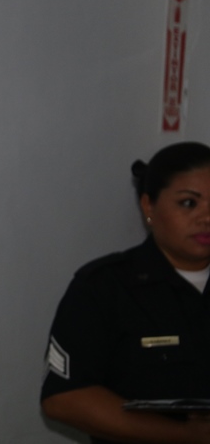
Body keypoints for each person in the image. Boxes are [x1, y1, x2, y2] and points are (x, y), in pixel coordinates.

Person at [41, 141, 210, 444]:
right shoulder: (105, 287)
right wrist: (185, 435)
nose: (206, 218)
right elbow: (65, 398)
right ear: (148, 206)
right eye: (188, 203)